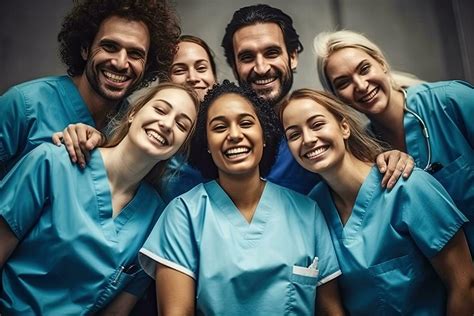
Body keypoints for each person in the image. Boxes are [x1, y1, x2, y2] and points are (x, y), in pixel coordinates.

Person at [139, 81, 345, 315]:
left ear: (264, 134)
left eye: (246, 123)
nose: (235, 135)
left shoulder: (308, 212)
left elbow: (331, 310)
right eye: (219, 128)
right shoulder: (183, 214)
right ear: (206, 143)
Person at [0, 82, 199, 314]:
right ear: (133, 113)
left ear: (181, 146)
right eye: (160, 110)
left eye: (181, 125)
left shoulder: (157, 220)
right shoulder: (52, 163)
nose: (166, 124)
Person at [280, 88, 474, 315]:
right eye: (294, 135)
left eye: (317, 124)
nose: (308, 139)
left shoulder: (408, 187)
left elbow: (465, 284)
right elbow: (329, 302)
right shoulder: (313, 208)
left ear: (344, 127)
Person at [313, 29, 474, 256]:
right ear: (337, 97)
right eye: (343, 82)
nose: (360, 85)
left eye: (364, 69)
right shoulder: (366, 153)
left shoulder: (451, 100)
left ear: (381, 63)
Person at [0, 0, 180, 177]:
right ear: (85, 49)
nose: (120, 63)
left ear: (147, 65)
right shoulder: (24, 104)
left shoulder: (133, 127)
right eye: (110, 47)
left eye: (135, 54)